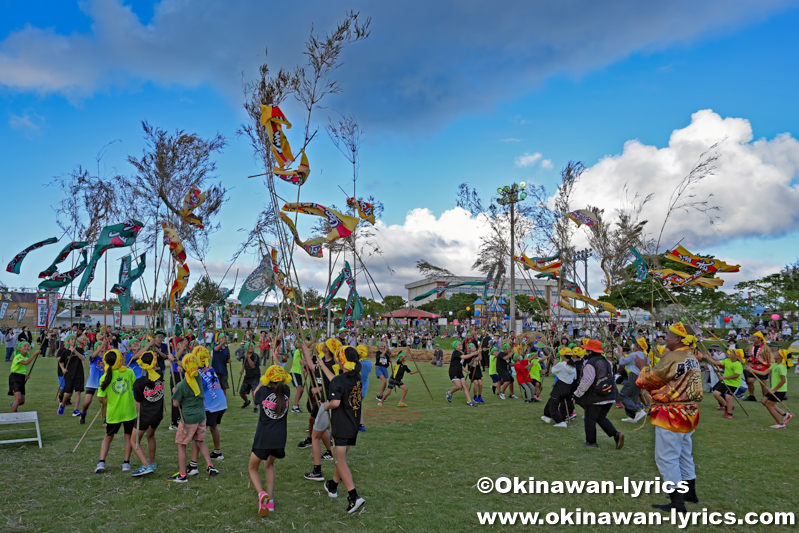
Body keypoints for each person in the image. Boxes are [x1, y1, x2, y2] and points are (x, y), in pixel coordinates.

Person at [635, 322, 703, 513]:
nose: (664, 338)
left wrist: (643, 367)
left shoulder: (674, 357)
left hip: (672, 412)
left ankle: (677, 503)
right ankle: (689, 492)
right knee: (684, 453)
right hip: (689, 411)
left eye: (668, 335)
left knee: (667, 457)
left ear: (678, 339)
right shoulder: (692, 356)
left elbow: (651, 379)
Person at [321, 346, 366, 514]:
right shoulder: (357, 378)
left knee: (340, 461)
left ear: (341, 361)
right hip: (353, 425)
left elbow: (335, 403)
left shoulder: (339, 380)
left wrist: (326, 405)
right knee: (340, 458)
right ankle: (332, 485)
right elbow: (337, 381)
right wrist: (323, 367)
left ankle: (354, 497)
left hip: (341, 426)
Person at [94, 350, 154, 477]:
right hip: (129, 412)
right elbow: (135, 387)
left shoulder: (105, 376)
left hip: (113, 413)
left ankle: (101, 462)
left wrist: (106, 404)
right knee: (128, 437)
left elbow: (100, 397)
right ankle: (126, 463)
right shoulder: (129, 372)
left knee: (108, 437)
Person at [168, 352, 218, 482]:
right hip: (201, 415)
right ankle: (210, 466)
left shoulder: (181, 385)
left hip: (189, 419)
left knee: (181, 444)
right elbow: (189, 369)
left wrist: (175, 391)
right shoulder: (198, 377)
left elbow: (175, 403)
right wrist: (177, 363)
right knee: (200, 441)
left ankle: (182, 475)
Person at [249, 364, 291, 517]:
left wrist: (263, 381)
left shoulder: (263, 391)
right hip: (280, 439)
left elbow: (255, 395)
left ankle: (262, 495)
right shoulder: (286, 391)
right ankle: (270, 500)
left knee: (253, 468)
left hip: (264, 438)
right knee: (269, 464)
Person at [574, 339, 624, 450]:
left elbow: (587, 381)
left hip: (595, 396)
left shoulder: (590, 364)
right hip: (609, 395)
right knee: (600, 417)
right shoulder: (607, 362)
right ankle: (616, 435)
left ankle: (591, 441)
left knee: (590, 419)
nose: (586, 352)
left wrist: (577, 394)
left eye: (587, 350)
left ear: (590, 351)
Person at [132, 351, 165, 469]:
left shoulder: (139, 383)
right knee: (150, 436)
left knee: (134, 441)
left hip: (145, 416)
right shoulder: (160, 374)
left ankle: (146, 465)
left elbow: (137, 402)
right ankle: (152, 461)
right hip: (158, 414)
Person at [195, 345, 227, 465]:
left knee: (199, 431)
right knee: (213, 427)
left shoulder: (198, 372)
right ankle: (217, 452)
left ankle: (194, 461)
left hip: (212, 404)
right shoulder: (208, 366)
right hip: (221, 402)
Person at [748, 349, 792, 429]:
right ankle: (785, 415)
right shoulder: (775, 365)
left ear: (780, 357)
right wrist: (752, 370)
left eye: (777, 353)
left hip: (779, 390)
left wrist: (774, 390)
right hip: (774, 389)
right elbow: (764, 373)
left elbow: (783, 381)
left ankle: (781, 424)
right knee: (764, 401)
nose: (775, 354)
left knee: (769, 405)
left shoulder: (782, 367)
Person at [700, 348, 742, 419]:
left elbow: (736, 375)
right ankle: (726, 406)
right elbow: (715, 362)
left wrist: (724, 378)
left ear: (736, 356)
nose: (729, 353)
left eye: (732, 353)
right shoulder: (727, 360)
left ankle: (729, 413)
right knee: (716, 394)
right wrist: (707, 357)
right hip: (725, 382)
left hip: (733, 384)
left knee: (728, 397)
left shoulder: (738, 364)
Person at [541, 348, 577, 427]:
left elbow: (553, 371)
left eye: (561, 354)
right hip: (568, 387)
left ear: (563, 356)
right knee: (551, 400)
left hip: (561, 386)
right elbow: (574, 377)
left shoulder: (562, 364)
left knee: (553, 404)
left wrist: (555, 363)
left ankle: (560, 422)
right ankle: (547, 416)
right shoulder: (573, 364)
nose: (560, 355)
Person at [57, 333, 86, 416]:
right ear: (68, 341)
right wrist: (63, 369)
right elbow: (61, 362)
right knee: (68, 393)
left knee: (78, 392)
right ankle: (62, 405)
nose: (73, 341)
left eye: (74, 339)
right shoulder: (65, 352)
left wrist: (75, 351)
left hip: (79, 373)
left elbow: (83, 358)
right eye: (72, 339)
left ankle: (76, 410)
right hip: (69, 374)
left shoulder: (80, 350)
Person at [8, 342, 40, 412]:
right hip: (14, 378)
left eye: (28, 346)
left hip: (21, 378)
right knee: (18, 398)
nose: (27, 347)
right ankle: (13, 417)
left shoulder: (25, 357)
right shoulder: (18, 357)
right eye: (24, 346)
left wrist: (25, 375)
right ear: (19, 348)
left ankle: (13, 404)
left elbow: (20, 369)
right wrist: (35, 354)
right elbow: (26, 363)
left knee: (22, 401)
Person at [618, 346, 647, 423]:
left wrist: (620, 351)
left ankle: (638, 410)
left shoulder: (633, 354)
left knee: (623, 395)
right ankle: (632, 416)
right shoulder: (646, 355)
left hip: (634, 376)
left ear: (637, 346)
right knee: (633, 396)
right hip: (641, 376)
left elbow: (622, 362)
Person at [743, 331, 773, 401]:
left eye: (754, 337)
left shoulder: (766, 348)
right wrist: (747, 357)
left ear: (760, 338)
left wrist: (768, 365)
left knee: (763, 383)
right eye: (753, 337)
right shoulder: (750, 347)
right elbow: (745, 355)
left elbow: (770, 358)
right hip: (752, 366)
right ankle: (751, 396)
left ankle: (765, 398)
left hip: (762, 367)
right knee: (750, 381)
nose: (753, 339)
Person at [446, 341, 476, 406]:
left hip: (460, 372)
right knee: (459, 386)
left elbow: (460, 365)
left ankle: (469, 402)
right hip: (453, 372)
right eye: (459, 345)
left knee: (465, 386)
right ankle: (449, 393)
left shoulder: (460, 353)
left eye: (461, 344)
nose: (461, 345)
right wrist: (473, 354)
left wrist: (466, 371)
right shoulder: (455, 352)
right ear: (456, 347)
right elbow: (464, 357)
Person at [239, 342, 261, 411]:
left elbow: (253, 366)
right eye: (249, 346)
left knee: (254, 391)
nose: (251, 347)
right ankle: (247, 402)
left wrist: (248, 357)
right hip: (247, 376)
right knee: (241, 393)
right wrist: (242, 370)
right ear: (246, 348)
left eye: (252, 346)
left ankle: (256, 406)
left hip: (255, 375)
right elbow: (244, 364)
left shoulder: (255, 356)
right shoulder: (245, 356)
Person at [357, 345, 371, 430]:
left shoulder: (355, 364)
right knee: (359, 405)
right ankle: (361, 424)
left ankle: (358, 424)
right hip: (364, 389)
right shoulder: (368, 363)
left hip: (356, 388)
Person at [288, 344, 304, 413]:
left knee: (302, 390)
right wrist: (312, 342)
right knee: (299, 389)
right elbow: (305, 349)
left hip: (298, 373)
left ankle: (296, 405)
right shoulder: (298, 351)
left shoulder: (302, 353)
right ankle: (295, 407)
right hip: (294, 372)